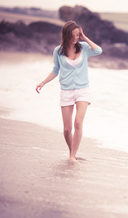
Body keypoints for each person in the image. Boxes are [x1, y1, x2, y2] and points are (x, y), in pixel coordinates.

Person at [36, 21, 102, 162]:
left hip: (83, 89)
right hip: (66, 91)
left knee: (78, 122)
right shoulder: (58, 51)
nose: (76, 38)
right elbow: (55, 70)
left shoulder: (83, 47)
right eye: (73, 35)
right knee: (67, 129)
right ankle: (72, 152)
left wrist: (85, 38)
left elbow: (98, 50)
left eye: (77, 35)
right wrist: (43, 82)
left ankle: (72, 156)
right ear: (66, 36)